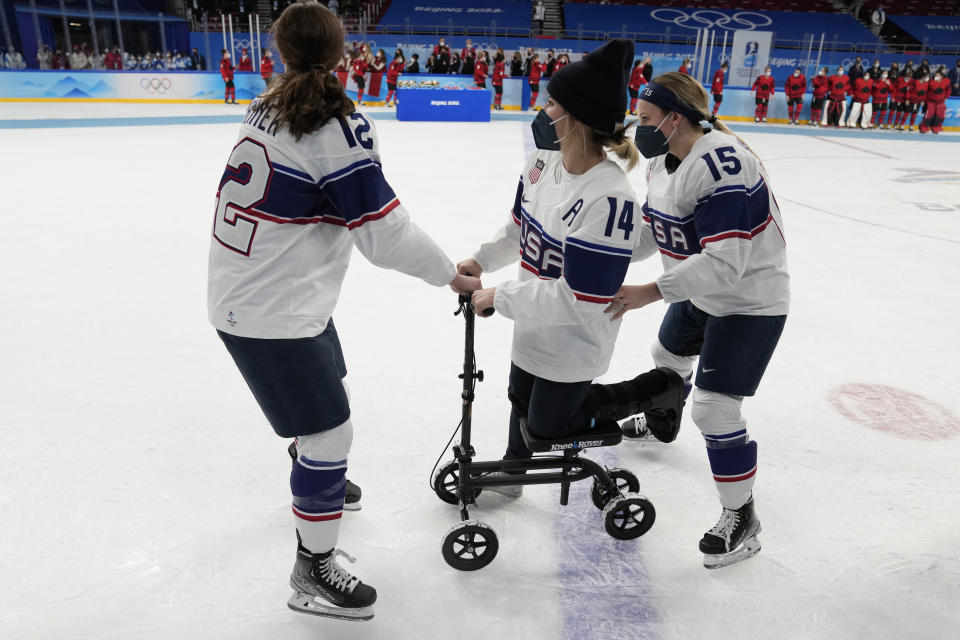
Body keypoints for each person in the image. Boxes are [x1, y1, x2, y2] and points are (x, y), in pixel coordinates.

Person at [208, 2, 480, 622]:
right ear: (344, 54)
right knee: (333, 431)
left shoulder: (271, 103)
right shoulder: (333, 123)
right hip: (270, 307)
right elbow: (383, 236)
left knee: (330, 387)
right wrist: (450, 276)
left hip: (266, 291)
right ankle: (313, 568)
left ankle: (316, 477)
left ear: (281, 54)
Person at [459, 38, 684, 499]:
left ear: (577, 117)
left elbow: (579, 299)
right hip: (535, 322)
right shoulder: (541, 164)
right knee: (519, 398)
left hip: (575, 334)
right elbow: (518, 229)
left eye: (553, 104)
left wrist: (498, 297)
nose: (544, 111)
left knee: (549, 423)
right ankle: (514, 472)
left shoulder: (608, 197)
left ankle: (657, 390)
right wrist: (481, 260)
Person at [611, 71, 788, 569]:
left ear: (675, 117)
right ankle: (663, 423)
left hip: (746, 299)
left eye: (645, 119)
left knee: (714, 411)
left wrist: (648, 292)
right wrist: (602, 253)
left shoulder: (723, 166)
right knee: (666, 355)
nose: (637, 128)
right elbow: (656, 231)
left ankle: (742, 519)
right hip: (700, 286)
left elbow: (726, 262)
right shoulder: (665, 160)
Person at [918, 68, 951, 134]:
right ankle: (923, 127)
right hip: (931, 101)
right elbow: (927, 91)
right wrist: (923, 100)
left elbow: (948, 90)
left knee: (939, 116)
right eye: (936, 75)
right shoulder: (931, 82)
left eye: (938, 75)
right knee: (929, 116)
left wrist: (945, 97)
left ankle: (936, 128)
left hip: (940, 102)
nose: (936, 76)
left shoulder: (946, 81)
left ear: (942, 76)